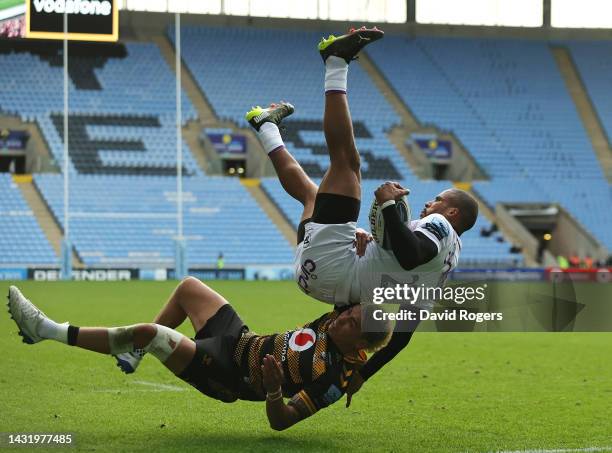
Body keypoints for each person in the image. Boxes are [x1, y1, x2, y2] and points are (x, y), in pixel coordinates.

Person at [244, 27, 479, 404]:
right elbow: (400, 338)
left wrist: (388, 207)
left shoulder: (441, 226)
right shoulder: (447, 266)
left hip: (335, 269)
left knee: (348, 163)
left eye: (436, 200)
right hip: (319, 282)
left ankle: (336, 61)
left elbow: (409, 252)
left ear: (452, 211)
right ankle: (266, 126)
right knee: (310, 194)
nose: (428, 205)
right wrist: (363, 375)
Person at [6, 282, 390, 430]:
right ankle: (134, 352)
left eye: (350, 321)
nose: (340, 317)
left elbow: (282, 422)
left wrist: (274, 391)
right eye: (347, 312)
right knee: (189, 288)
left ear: (359, 343)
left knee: (153, 334)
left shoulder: (333, 380)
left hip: (228, 376)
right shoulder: (335, 321)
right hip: (238, 340)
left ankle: (47, 331)